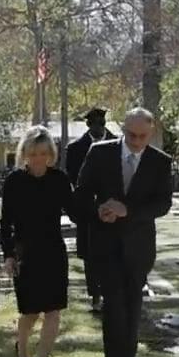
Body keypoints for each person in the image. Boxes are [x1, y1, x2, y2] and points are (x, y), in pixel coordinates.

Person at [70, 107, 174, 357]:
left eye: (142, 136)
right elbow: (80, 193)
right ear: (123, 129)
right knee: (113, 306)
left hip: (139, 248)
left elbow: (162, 204)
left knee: (132, 306)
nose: (136, 141)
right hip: (105, 244)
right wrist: (98, 210)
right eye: (131, 135)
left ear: (150, 133)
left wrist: (127, 210)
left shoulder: (160, 162)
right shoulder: (100, 153)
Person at [0, 126, 70, 357]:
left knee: (53, 311)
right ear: (25, 154)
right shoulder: (14, 182)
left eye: (43, 153)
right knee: (30, 313)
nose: (38, 158)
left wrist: (100, 211)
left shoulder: (59, 180)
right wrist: (8, 256)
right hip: (25, 254)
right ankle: (22, 347)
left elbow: (76, 210)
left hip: (53, 252)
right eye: (33, 153)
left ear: (50, 154)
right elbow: (5, 223)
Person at [63, 107, 115, 311]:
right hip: (88, 210)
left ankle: (113, 293)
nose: (98, 128)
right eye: (94, 124)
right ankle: (95, 295)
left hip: (112, 208)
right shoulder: (76, 148)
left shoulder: (117, 143)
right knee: (91, 256)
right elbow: (73, 179)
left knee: (113, 254)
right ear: (88, 125)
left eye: (101, 124)